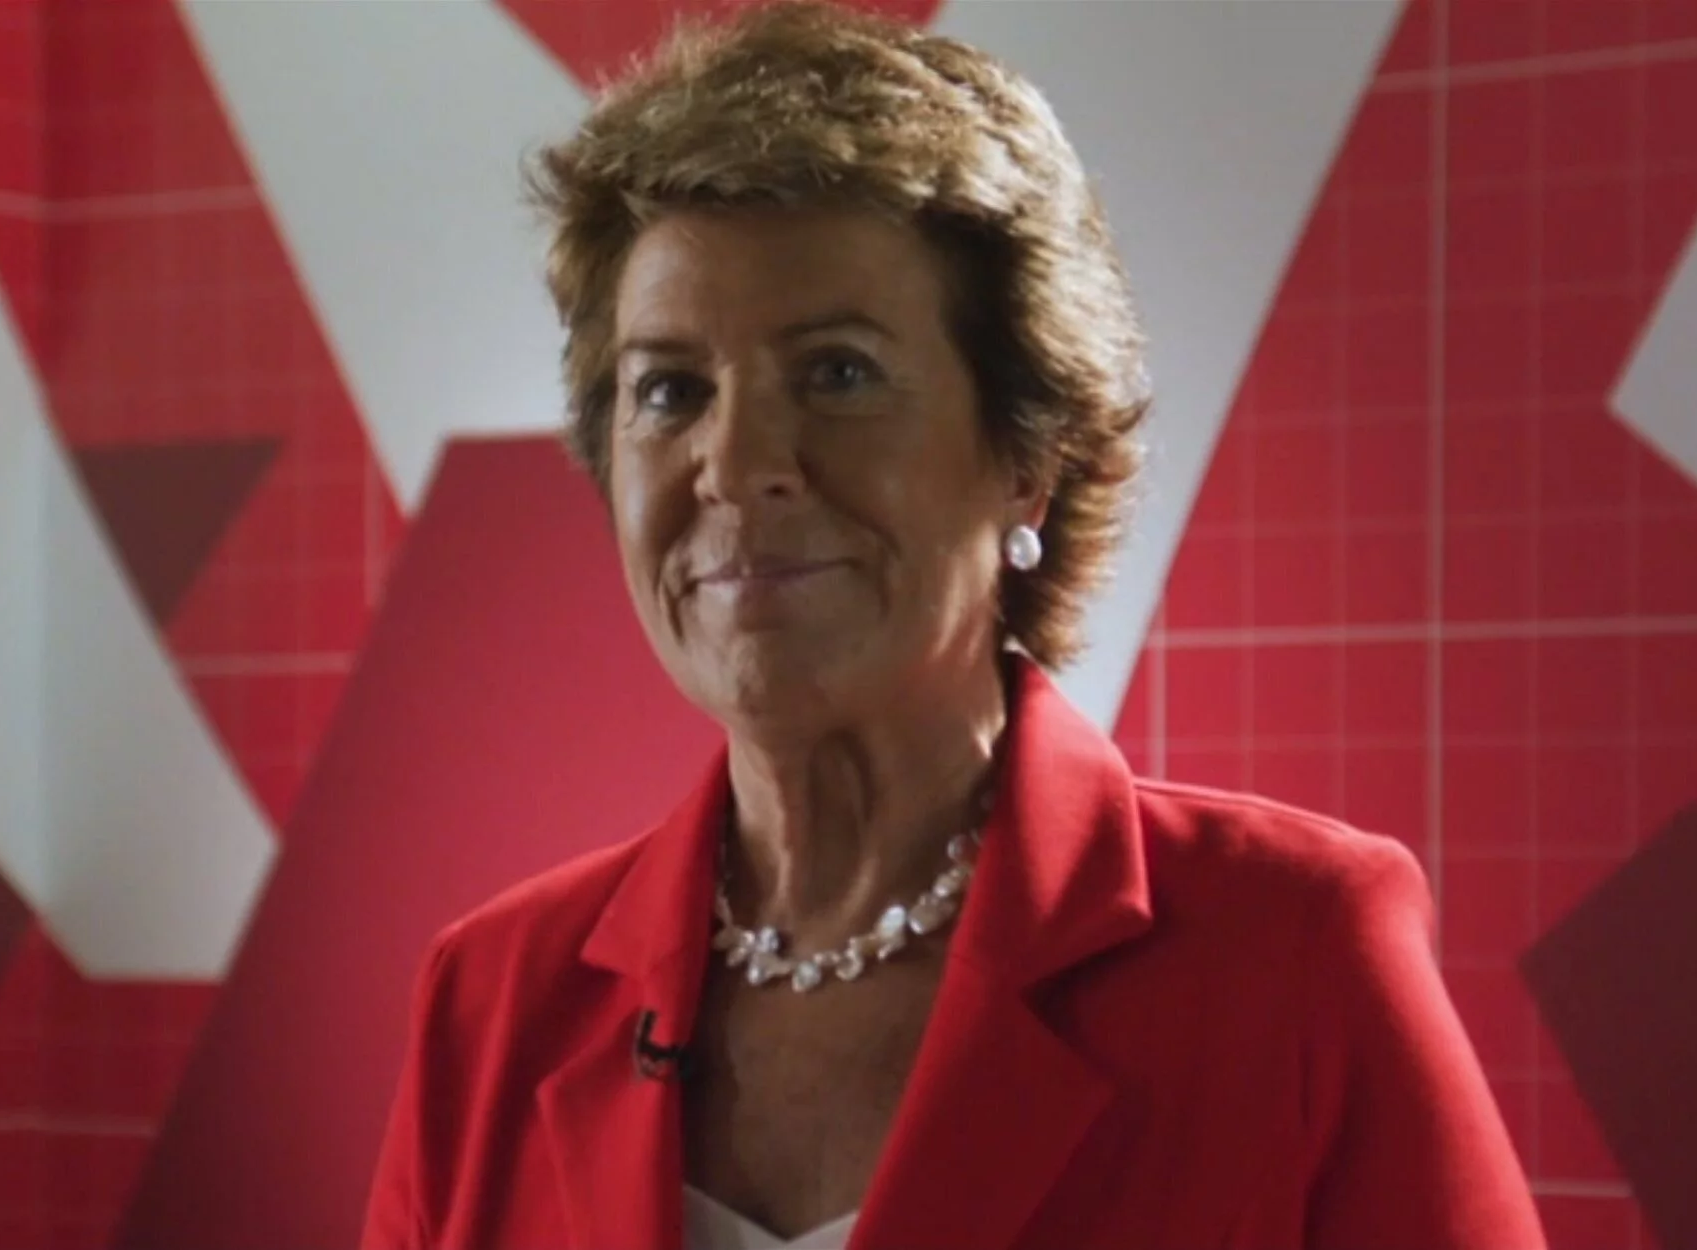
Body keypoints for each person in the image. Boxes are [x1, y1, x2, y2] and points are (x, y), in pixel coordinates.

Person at [361, 4, 1545, 1248]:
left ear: (1027, 459)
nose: (739, 461)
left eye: (837, 371)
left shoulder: (1289, 950)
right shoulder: (493, 999)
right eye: (670, 389)